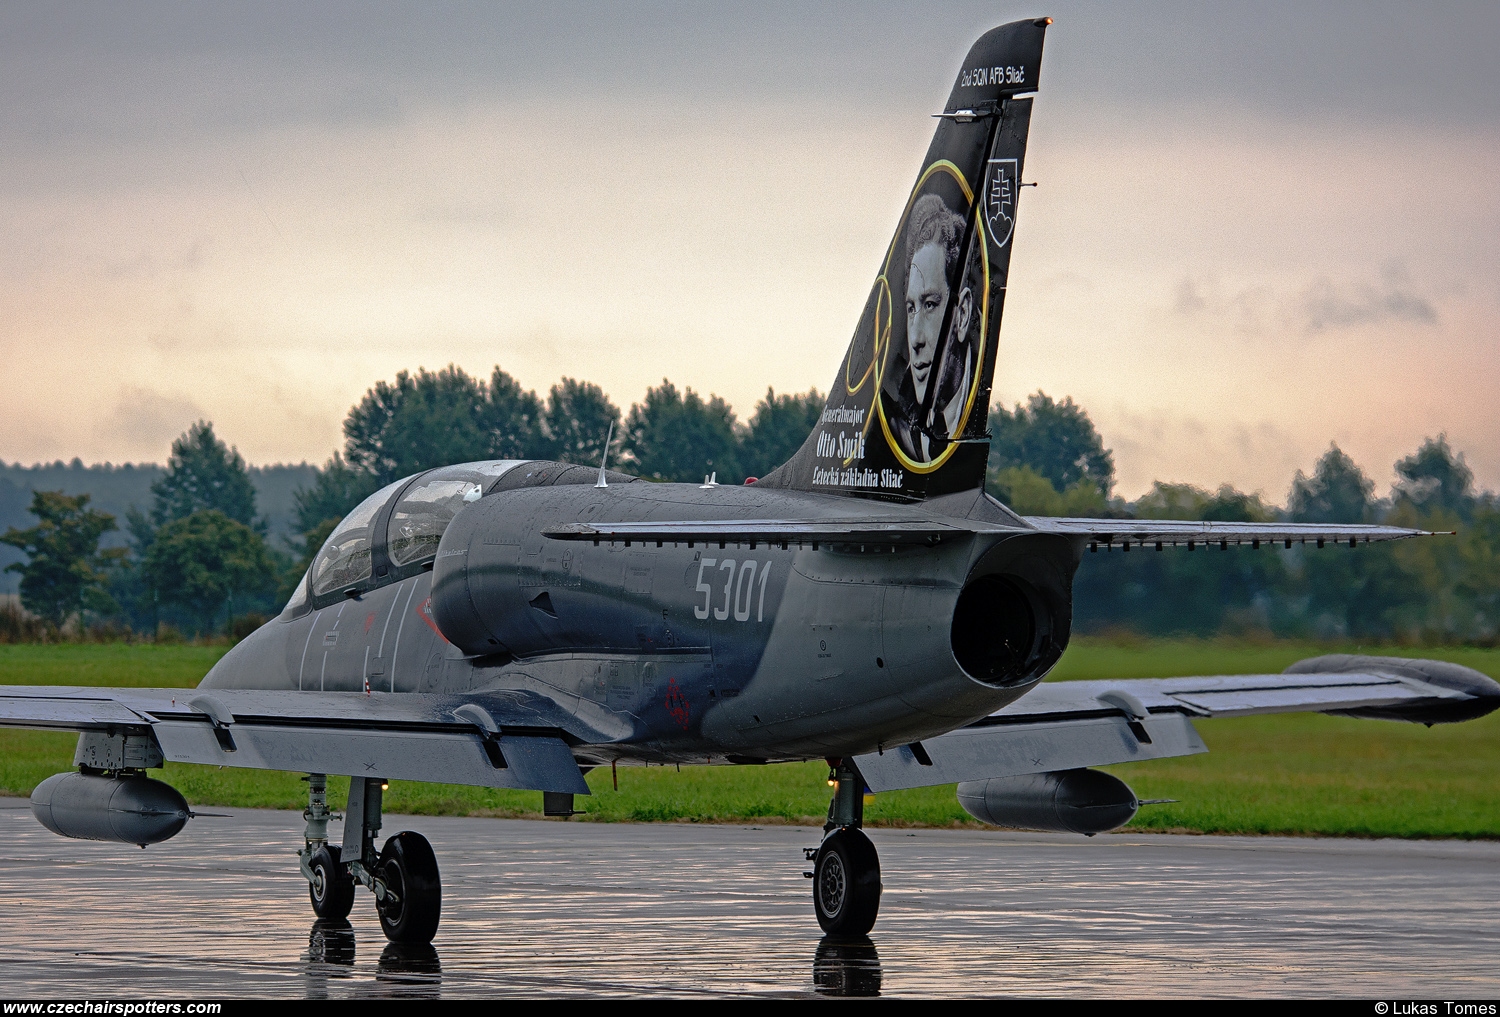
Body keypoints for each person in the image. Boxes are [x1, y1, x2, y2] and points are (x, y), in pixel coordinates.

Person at [887, 192, 976, 462]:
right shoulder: (897, 428)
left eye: (929, 305)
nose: (915, 339)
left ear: (961, 315)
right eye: (911, 308)